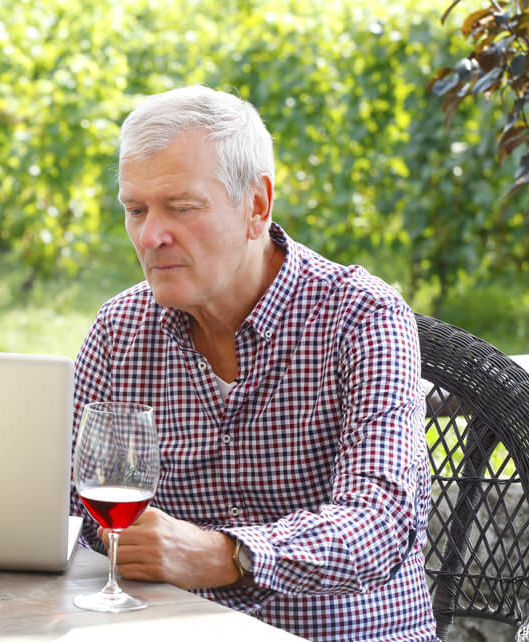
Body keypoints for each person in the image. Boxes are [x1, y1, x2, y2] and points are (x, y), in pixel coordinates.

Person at [70, 86, 436, 641]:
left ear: (257, 206)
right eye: (135, 209)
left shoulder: (361, 315)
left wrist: (225, 555)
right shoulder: (120, 330)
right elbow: (71, 508)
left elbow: (381, 521)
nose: (151, 236)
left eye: (182, 208)